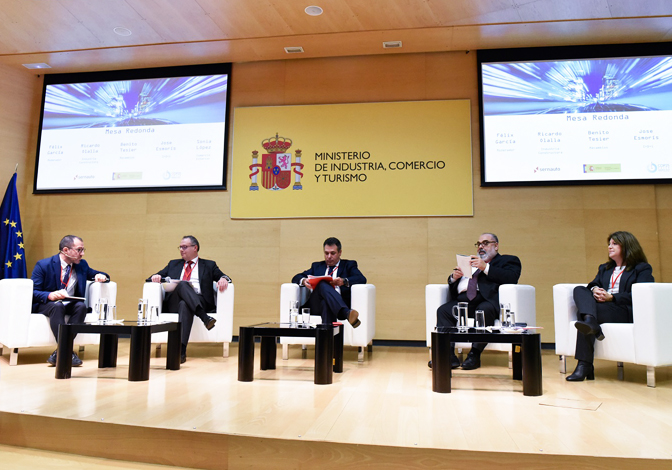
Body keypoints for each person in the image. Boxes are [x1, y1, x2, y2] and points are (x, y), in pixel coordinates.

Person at [566, 231, 654, 381]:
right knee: (580, 290)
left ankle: (584, 365)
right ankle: (590, 321)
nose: (609, 247)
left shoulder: (641, 268)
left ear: (627, 246)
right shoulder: (605, 268)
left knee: (586, 314)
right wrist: (595, 290)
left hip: (622, 309)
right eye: (609, 244)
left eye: (614, 243)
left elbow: (640, 294)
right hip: (601, 307)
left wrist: (612, 297)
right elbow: (593, 284)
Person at [435, 233, 521, 370]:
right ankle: (448, 356)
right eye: (479, 244)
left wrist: (485, 267)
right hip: (464, 301)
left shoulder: (508, 260)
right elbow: (454, 286)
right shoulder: (470, 262)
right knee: (444, 311)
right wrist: (454, 278)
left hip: (486, 300)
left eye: (486, 243)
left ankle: (474, 355)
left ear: (496, 246)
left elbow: (511, 277)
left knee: (484, 310)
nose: (481, 247)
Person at [148, 235, 231, 363]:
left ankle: (180, 351)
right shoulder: (173, 264)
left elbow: (225, 276)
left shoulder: (209, 265)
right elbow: (152, 277)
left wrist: (223, 279)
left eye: (185, 247)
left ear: (195, 248)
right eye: (180, 247)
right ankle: (204, 318)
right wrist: (156, 277)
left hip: (200, 299)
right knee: (182, 284)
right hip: (173, 301)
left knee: (185, 305)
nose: (181, 250)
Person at [32, 235, 109, 366]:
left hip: (70, 303)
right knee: (57, 306)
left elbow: (99, 274)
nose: (82, 254)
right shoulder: (44, 265)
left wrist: (100, 276)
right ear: (66, 250)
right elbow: (33, 291)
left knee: (81, 307)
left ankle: (62, 351)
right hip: (47, 304)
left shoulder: (81, 265)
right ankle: (67, 351)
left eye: (84, 250)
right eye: (79, 250)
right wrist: (49, 295)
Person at [291, 237, 365, 327]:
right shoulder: (317, 266)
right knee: (322, 284)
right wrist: (303, 280)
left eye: (333, 253)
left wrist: (344, 281)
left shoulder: (348, 265)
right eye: (326, 253)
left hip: (337, 304)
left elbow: (361, 278)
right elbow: (296, 277)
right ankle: (346, 313)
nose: (329, 256)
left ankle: (327, 340)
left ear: (340, 253)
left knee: (325, 303)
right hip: (315, 305)